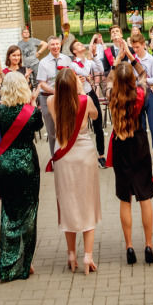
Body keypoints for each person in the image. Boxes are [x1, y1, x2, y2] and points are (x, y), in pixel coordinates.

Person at [47, 67, 101, 275]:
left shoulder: (52, 102)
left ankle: (71, 254)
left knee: (67, 202)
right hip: (85, 154)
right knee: (88, 201)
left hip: (63, 155)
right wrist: (82, 90)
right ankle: (88, 255)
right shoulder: (85, 101)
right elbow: (95, 117)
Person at [0, 71, 43, 281]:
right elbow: (38, 127)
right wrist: (32, 102)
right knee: (28, 213)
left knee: (9, 213)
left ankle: (7, 265)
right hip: (27, 164)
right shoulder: (32, 112)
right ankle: (25, 265)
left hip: (6, 163)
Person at [107, 62, 153, 264]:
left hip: (121, 145)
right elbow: (144, 74)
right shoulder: (141, 93)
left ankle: (129, 247)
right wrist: (131, 59)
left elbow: (108, 81)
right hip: (139, 142)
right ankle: (149, 245)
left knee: (125, 199)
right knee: (145, 197)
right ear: (132, 81)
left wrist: (115, 64)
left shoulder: (112, 96)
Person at [68, 37, 107, 167]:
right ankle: (80, 155)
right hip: (79, 96)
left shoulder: (89, 61)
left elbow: (101, 69)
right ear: (74, 51)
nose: (81, 45)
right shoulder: (73, 64)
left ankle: (101, 155)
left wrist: (94, 54)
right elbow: (84, 72)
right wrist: (89, 56)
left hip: (91, 94)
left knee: (98, 124)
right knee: (81, 126)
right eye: (78, 45)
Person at [36, 35, 72, 156]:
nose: (55, 47)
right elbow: (42, 83)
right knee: (52, 132)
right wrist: (55, 92)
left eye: (57, 44)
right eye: (52, 45)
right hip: (47, 98)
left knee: (65, 129)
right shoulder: (43, 63)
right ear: (49, 47)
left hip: (65, 99)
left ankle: (65, 156)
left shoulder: (67, 59)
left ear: (60, 45)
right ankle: (54, 158)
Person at [131, 33, 153, 159]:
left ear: (144, 45)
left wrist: (143, 80)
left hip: (149, 95)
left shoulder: (152, 60)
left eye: (137, 47)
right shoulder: (132, 60)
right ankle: (143, 154)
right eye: (133, 47)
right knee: (140, 128)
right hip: (137, 95)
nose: (135, 50)